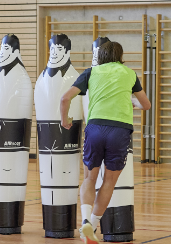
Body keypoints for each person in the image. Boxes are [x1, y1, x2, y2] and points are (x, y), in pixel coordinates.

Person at [59, 42, 151, 244]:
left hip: (96, 128)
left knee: (90, 179)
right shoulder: (130, 74)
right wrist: (132, 103)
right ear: (121, 55)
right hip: (120, 130)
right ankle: (92, 224)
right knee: (109, 181)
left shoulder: (91, 72)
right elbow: (146, 105)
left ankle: (84, 220)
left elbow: (65, 98)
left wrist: (64, 120)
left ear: (99, 56)